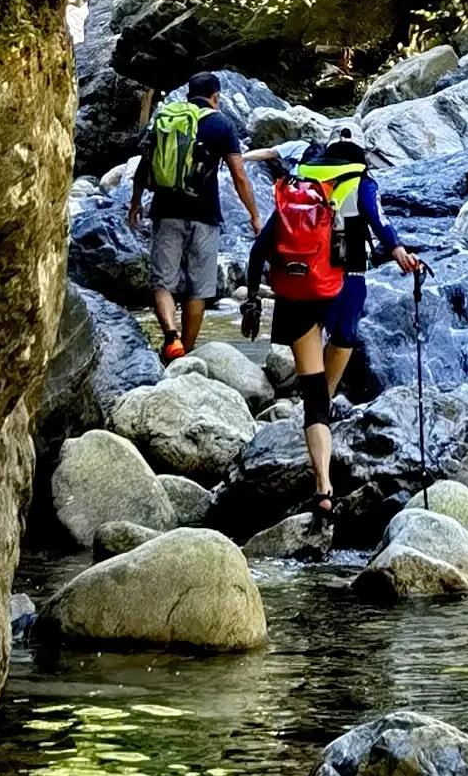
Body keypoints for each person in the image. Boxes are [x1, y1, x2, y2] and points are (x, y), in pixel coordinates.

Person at [246, 131, 422, 540]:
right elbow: (382, 226)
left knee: (313, 398)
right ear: (359, 158)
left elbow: (260, 248)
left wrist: (252, 300)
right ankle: (323, 431)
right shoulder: (361, 183)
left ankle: (323, 487)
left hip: (296, 292)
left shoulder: (300, 186)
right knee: (330, 377)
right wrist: (402, 255)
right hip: (345, 287)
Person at [128, 70, 262, 362]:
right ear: (216, 96)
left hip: (165, 213)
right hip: (205, 215)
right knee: (197, 289)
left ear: (189, 94)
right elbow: (239, 175)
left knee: (162, 282)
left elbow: (144, 166)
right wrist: (254, 215)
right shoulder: (220, 124)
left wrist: (135, 203)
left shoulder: (166, 120)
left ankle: (170, 337)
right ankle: (184, 353)